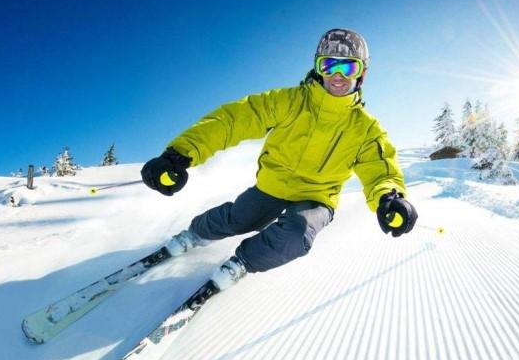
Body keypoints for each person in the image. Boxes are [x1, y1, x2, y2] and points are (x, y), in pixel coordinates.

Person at [141, 28, 418, 291]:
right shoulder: (289, 101)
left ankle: (243, 263)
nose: (336, 75)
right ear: (318, 67)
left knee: (297, 234)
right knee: (239, 218)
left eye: (348, 67)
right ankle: (193, 236)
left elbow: (380, 170)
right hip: (273, 185)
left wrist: (389, 198)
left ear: (362, 75)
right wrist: (179, 154)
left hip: (318, 196)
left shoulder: (366, 129)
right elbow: (233, 121)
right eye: (328, 65)